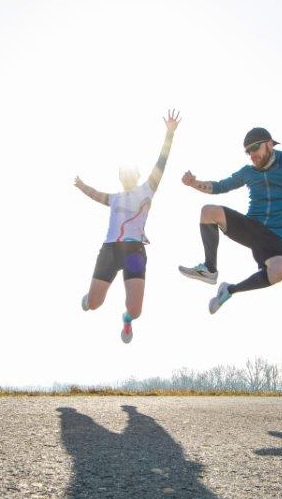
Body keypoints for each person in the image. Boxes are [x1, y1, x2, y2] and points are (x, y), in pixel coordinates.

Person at [178, 109, 282, 313]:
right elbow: (220, 186)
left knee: (280, 270)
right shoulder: (248, 172)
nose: (252, 155)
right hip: (251, 228)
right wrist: (194, 183)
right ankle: (209, 269)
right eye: (248, 152)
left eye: (255, 149)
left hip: (273, 238)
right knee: (208, 211)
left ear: (269, 143)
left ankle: (229, 290)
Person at [74, 109, 181, 343]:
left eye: (130, 172)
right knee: (93, 304)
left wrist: (169, 134)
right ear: (120, 177)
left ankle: (127, 320)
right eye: (123, 173)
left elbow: (161, 163)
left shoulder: (147, 189)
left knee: (135, 310)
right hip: (111, 250)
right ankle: (89, 297)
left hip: (134, 252)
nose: (127, 176)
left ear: (137, 175)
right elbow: (96, 195)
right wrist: (81, 185)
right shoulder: (115, 198)